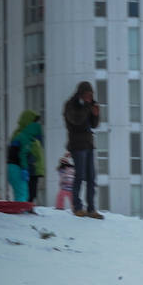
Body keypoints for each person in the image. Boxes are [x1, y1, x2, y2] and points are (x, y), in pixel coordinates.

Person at [62, 81, 101, 218]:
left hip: (89, 145)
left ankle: (91, 209)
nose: (89, 97)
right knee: (79, 175)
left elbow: (94, 125)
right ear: (81, 94)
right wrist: (86, 107)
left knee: (91, 177)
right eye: (87, 94)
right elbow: (76, 120)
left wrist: (96, 115)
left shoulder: (88, 105)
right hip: (77, 145)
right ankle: (77, 207)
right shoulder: (71, 105)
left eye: (91, 94)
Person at [7, 109, 43, 203]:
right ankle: (23, 208)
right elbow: (19, 152)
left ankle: (26, 207)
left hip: (32, 168)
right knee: (24, 193)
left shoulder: (32, 136)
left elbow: (38, 154)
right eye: (33, 122)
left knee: (31, 193)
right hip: (23, 167)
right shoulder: (19, 134)